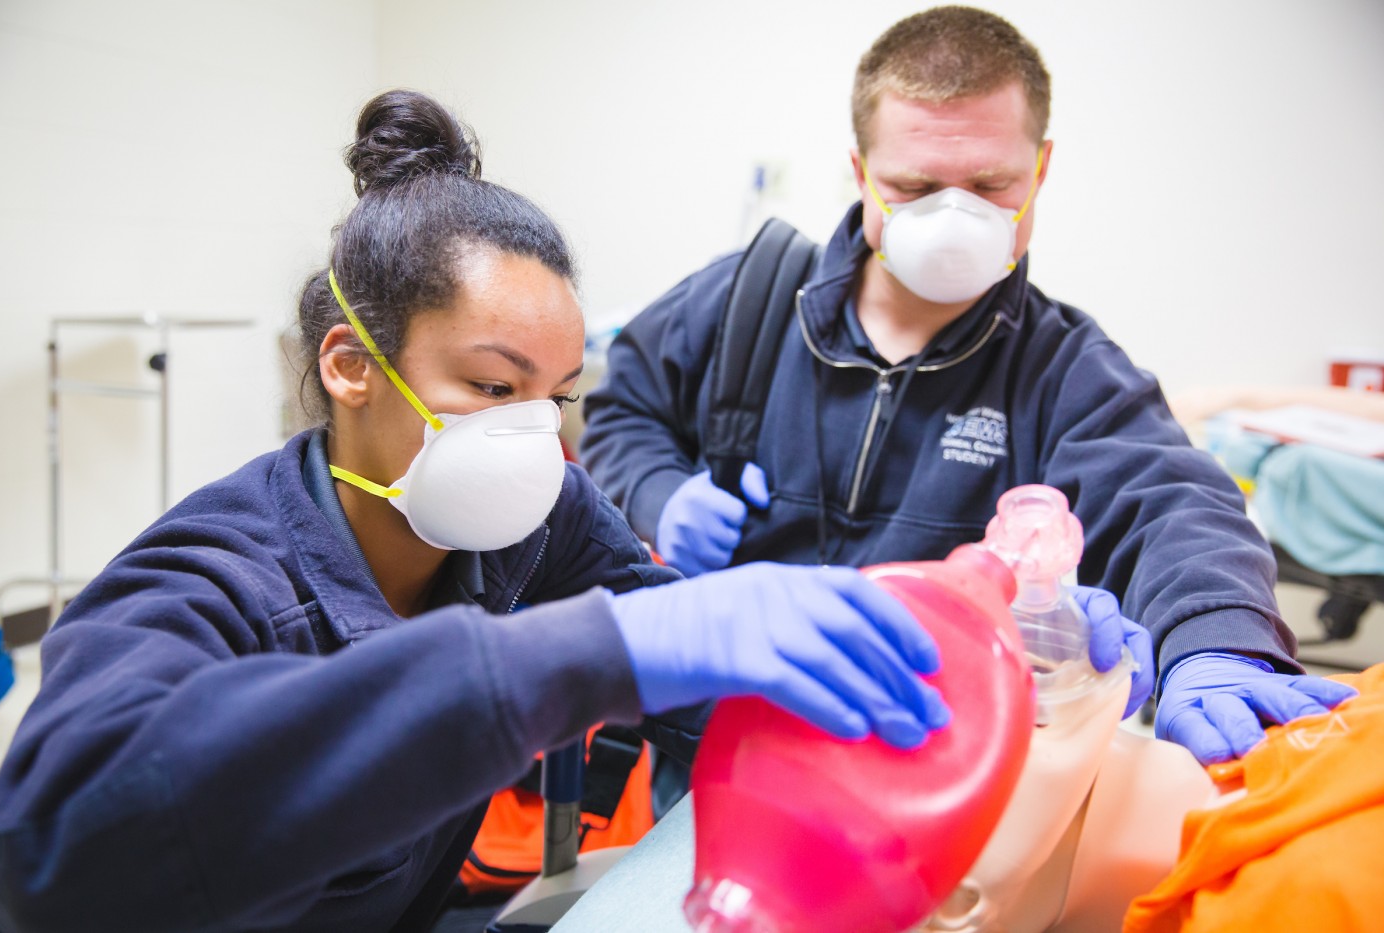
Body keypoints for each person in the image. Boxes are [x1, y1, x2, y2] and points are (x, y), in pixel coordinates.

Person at [0, 90, 952, 933]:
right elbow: (55, 851)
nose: (534, 436)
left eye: (556, 396)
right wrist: (584, 655)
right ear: (350, 366)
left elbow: (701, 684)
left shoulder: (539, 519)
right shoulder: (215, 578)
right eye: (493, 387)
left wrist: (924, 691)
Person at [578, 5, 1356, 766]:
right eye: (915, 187)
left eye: (990, 184)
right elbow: (624, 407)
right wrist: (657, 493)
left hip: (921, 762)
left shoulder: (1065, 368)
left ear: (1040, 170)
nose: (953, 218)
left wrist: (1216, 640)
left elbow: (1174, 506)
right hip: (716, 745)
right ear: (861, 172)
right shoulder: (747, 299)